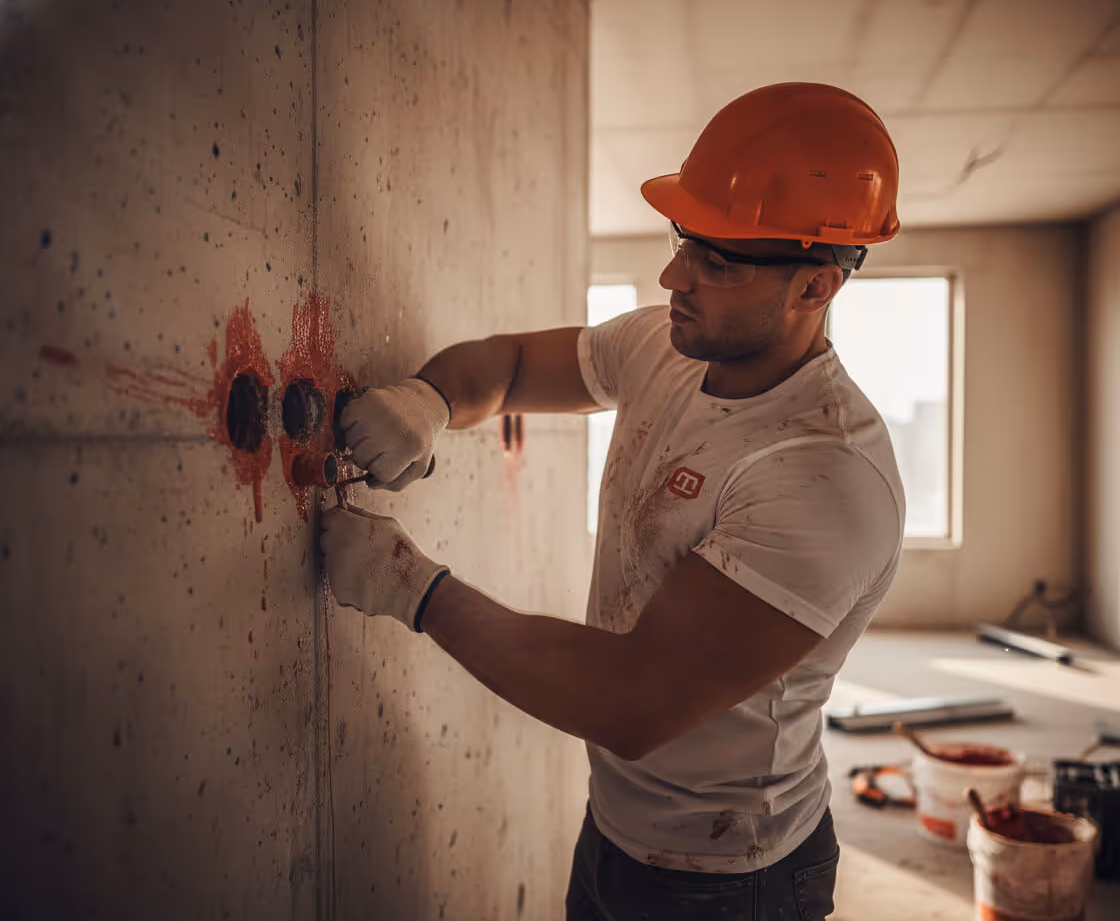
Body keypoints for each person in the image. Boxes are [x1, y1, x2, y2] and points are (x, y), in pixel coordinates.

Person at [320, 81, 906, 920]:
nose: (674, 275)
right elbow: (514, 364)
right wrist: (430, 402)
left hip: (730, 880)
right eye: (683, 240)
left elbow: (634, 701)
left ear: (815, 287)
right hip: (617, 828)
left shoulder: (826, 478)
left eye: (718, 260)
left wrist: (407, 585)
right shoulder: (664, 345)